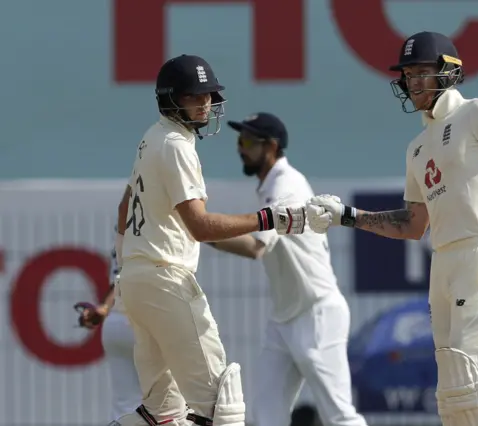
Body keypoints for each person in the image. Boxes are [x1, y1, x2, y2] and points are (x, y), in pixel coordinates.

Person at [304, 32, 478, 426]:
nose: (413, 83)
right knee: (457, 394)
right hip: (443, 262)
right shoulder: (417, 148)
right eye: (407, 75)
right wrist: (346, 216)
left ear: (449, 73)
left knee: (467, 386)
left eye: (422, 72)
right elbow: (412, 225)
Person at [115, 55, 305, 426]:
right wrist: (270, 218)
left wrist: (129, 262)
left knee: (162, 414)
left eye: (208, 96)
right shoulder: (176, 144)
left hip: (138, 280)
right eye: (194, 97)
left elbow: (124, 208)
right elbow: (199, 227)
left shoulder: (152, 138)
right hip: (166, 278)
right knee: (222, 404)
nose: (205, 104)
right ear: (171, 99)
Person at [208, 112, 367, 426]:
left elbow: (257, 247)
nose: (240, 148)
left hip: (317, 312)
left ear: (272, 146)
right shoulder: (269, 185)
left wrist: (202, 230)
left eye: (248, 141)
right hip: (284, 319)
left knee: (340, 416)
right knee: (267, 416)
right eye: (240, 140)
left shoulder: (287, 185)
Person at [74, 226, 147, 426]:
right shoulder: (154, 224)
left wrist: (105, 307)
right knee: (168, 405)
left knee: (126, 405)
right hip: (146, 319)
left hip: (115, 321)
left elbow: (119, 278)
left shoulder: (122, 233)